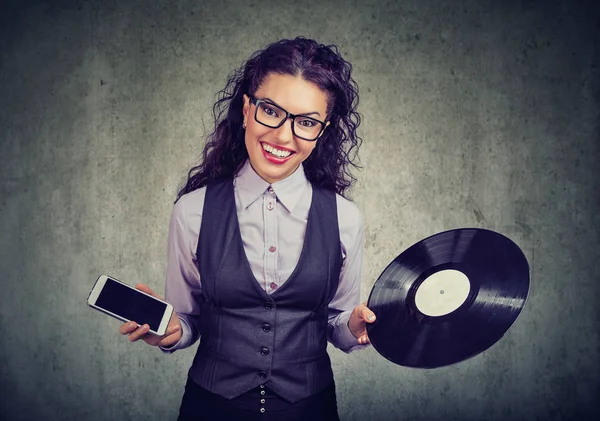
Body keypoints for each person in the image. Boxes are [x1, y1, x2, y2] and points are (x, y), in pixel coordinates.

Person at [119, 36, 376, 421]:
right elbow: (187, 321)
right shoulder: (191, 211)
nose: (283, 136)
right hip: (210, 409)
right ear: (246, 108)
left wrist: (353, 325)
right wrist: (171, 332)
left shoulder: (346, 218)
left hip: (310, 410)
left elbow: (337, 326)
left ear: (321, 131)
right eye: (271, 111)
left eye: (306, 122)